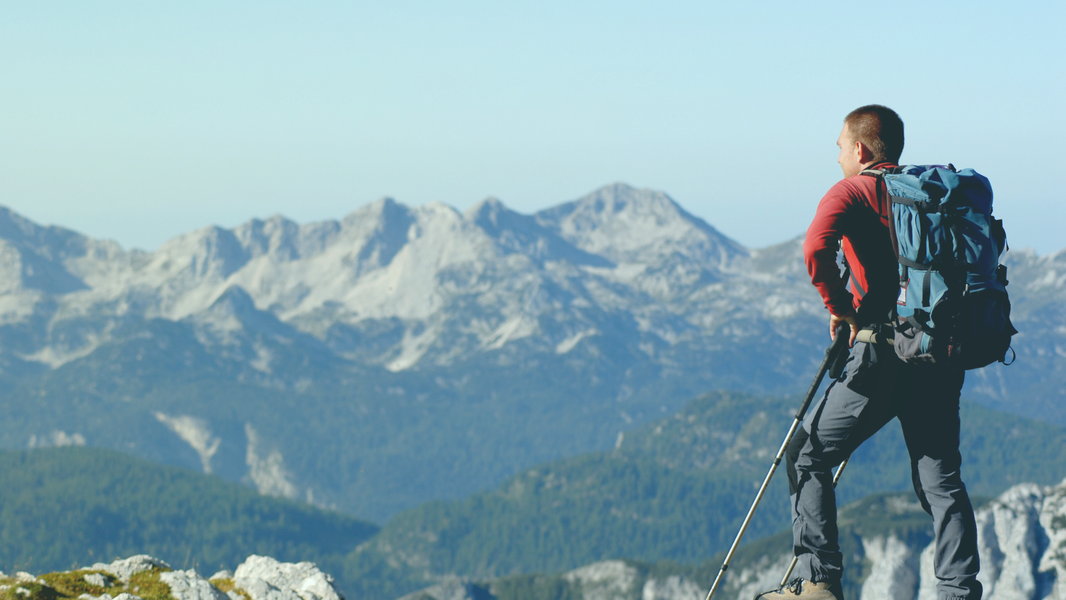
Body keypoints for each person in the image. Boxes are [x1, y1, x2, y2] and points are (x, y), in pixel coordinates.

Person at [755, 105, 982, 600]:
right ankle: (958, 591)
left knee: (808, 453)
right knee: (942, 482)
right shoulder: (926, 195)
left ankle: (817, 580)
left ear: (859, 149)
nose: (836, 157)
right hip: (937, 353)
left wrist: (840, 309)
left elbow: (816, 248)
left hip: (881, 355)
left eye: (839, 147)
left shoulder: (852, 190)